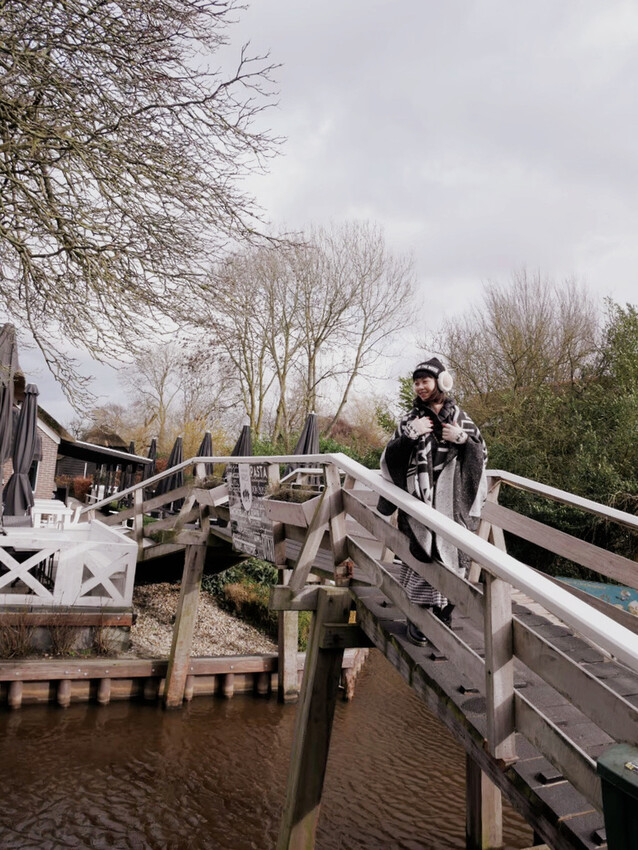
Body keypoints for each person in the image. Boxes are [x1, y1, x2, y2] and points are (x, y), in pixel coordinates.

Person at [378, 357, 487, 646]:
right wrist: (409, 437)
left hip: (452, 502)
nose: (420, 387)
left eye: (424, 381)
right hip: (419, 500)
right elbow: (387, 461)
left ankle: (444, 611)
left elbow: (482, 455)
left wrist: (463, 440)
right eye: (416, 383)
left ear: (441, 381)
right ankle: (418, 617)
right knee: (420, 553)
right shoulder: (409, 420)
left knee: (453, 555)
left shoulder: (461, 418)